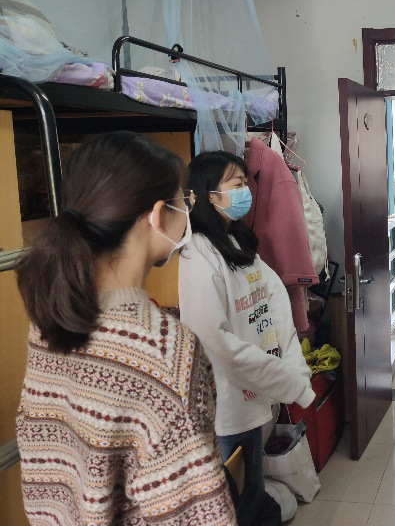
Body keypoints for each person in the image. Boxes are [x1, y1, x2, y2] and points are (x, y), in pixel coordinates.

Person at [14, 131, 235, 525]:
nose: (188, 211)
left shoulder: (49, 321)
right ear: (158, 215)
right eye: (183, 200)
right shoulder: (165, 351)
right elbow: (198, 514)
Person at [178, 151, 315, 503]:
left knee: (251, 491)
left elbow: (276, 304)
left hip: (255, 392)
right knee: (231, 501)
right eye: (236, 184)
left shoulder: (235, 241)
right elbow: (215, 343)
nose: (245, 191)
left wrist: (293, 370)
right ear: (209, 194)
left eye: (245, 183)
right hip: (228, 402)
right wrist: (288, 381)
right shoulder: (197, 253)